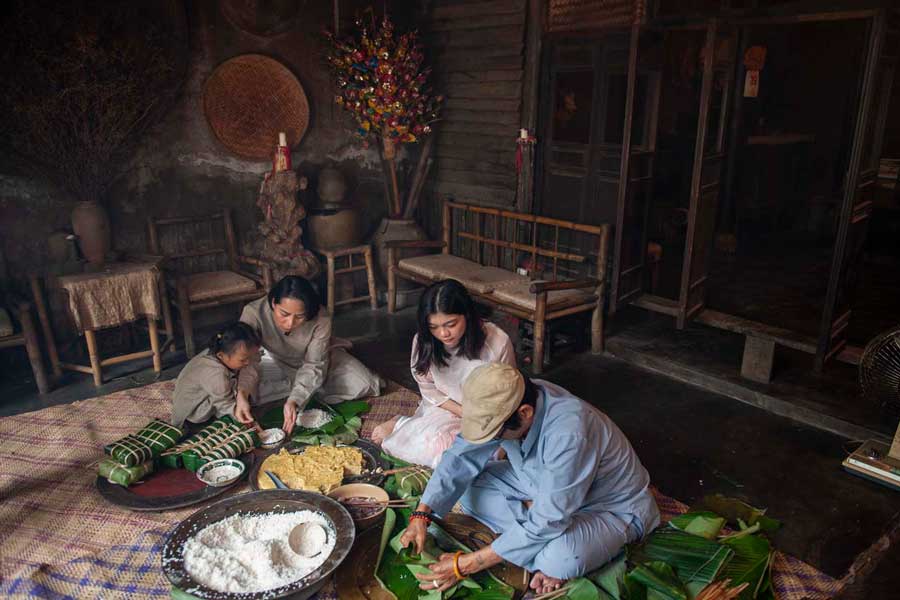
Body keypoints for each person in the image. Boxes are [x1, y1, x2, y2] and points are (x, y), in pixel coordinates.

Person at [400, 363, 660, 596]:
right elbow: (459, 458)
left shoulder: (569, 431)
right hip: (540, 485)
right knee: (466, 491)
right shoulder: (511, 399)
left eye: (495, 434)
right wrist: (422, 514)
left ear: (524, 413)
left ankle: (542, 538)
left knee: (562, 558)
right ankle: (534, 531)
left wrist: (465, 564)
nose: (490, 438)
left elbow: (552, 515)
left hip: (610, 507)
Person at [372, 279, 515, 468]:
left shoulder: (497, 342)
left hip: (488, 416)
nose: (443, 334)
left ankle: (408, 425)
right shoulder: (425, 341)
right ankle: (401, 424)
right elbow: (429, 389)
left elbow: (509, 394)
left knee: (486, 460)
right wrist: (462, 412)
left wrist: (483, 421)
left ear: (467, 315)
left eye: (451, 324)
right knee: (439, 453)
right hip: (447, 408)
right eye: (434, 327)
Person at [238, 275, 382, 434]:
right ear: (273, 303)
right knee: (241, 395)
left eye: (299, 317)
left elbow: (315, 363)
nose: (290, 323)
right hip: (280, 361)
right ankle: (304, 386)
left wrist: (295, 399)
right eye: (284, 314)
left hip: (322, 358)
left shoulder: (321, 318)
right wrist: (243, 394)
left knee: (365, 384)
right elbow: (247, 360)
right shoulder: (253, 313)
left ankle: (304, 388)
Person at [170, 322, 261, 429]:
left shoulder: (219, 352)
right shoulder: (215, 374)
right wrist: (244, 419)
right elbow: (224, 404)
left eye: (250, 357)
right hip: (193, 413)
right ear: (221, 355)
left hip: (209, 392)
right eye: (243, 360)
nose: (248, 362)